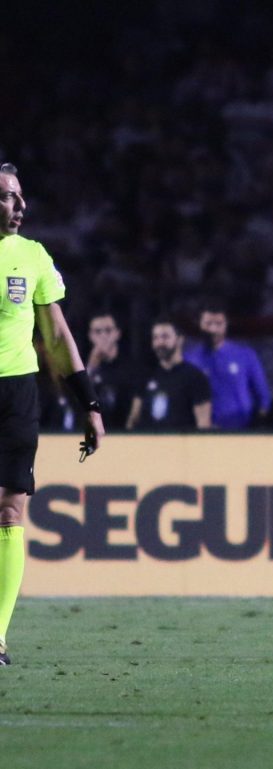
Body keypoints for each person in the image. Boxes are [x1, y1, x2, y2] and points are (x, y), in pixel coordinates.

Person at [0, 162, 105, 666]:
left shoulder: (34, 257)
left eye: (19, 196)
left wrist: (89, 403)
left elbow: (57, 338)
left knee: (10, 510)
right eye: (6, 197)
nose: (18, 207)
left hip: (17, 394)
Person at [184, 300, 271, 430]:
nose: (213, 329)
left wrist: (257, 424)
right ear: (199, 324)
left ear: (226, 325)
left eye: (218, 324)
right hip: (203, 435)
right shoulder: (189, 359)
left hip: (241, 433)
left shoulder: (245, 355)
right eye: (208, 324)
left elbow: (263, 395)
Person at [127, 317, 212, 431]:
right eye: (155, 337)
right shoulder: (146, 376)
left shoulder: (196, 377)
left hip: (182, 446)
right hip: (148, 446)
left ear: (180, 340)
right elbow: (134, 418)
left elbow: (203, 425)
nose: (160, 342)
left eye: (165, 337)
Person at [86, 312, 144, 430]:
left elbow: (137, 405)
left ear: (117, 333)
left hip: (122, 434)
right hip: (93, 435)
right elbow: (79, 401)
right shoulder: (83, 366)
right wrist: (91, 367)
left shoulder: (132, 368)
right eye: (97, 331)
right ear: (90, 336)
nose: (103, 336)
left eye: (108, 330)